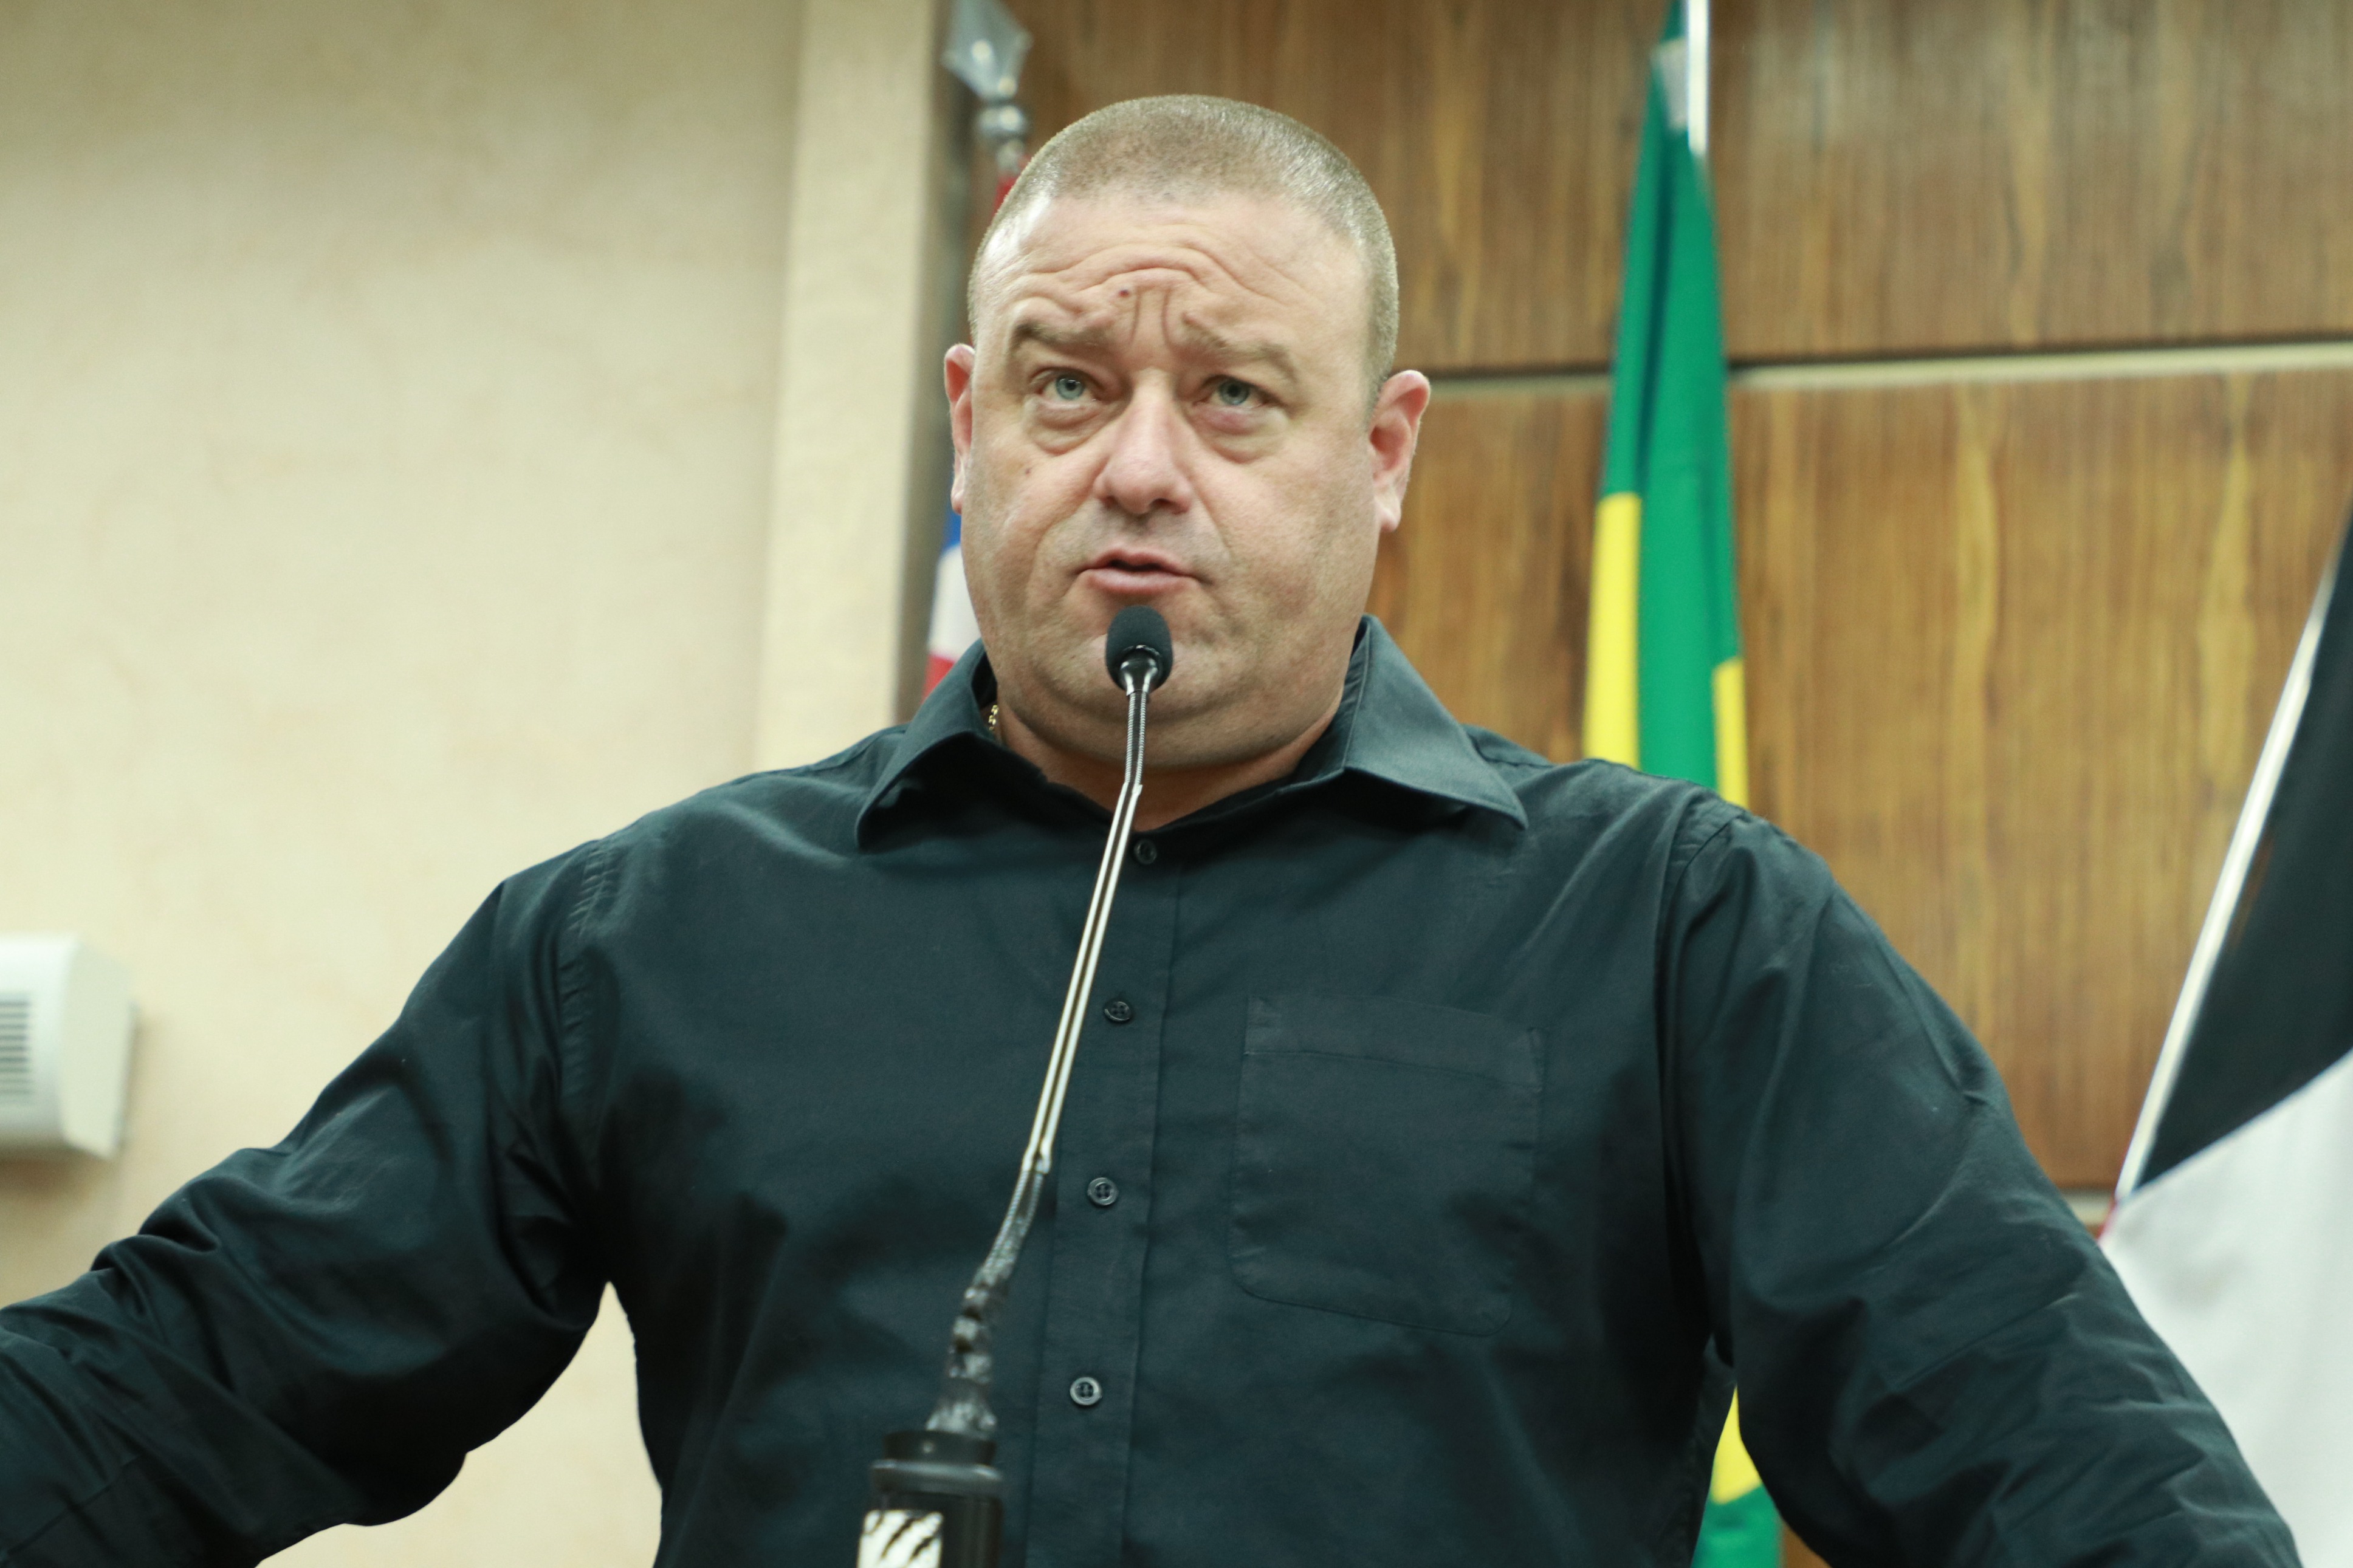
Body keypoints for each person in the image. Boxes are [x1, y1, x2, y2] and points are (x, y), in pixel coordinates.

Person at [0, 95, 2294, 1567]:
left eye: (1235, 398)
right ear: (969, 419)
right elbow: (189, 1382)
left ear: (1383, 452)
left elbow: (2061, 1468)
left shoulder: (1680, 935)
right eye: (1070, 387)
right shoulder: (645, 938)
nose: (1138, 469)